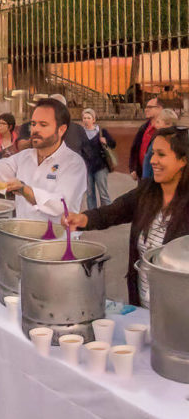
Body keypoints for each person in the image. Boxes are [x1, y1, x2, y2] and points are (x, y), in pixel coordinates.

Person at [65, 128, 189, 307]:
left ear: (183, 160)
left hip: (178, 311)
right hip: (142, 303)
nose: (153, 160)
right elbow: (114, 211)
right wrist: (83, 219)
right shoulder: (147, 192)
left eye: (161, 155)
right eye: (152, 153)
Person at [0, 98, 87, 220]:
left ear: (61, 129)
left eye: (43, 125)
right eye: (33, 124)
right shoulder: (24, 157)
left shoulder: (74, 163)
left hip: (57, 238)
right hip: (23, 235)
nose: (35, 129)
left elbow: (61, 204)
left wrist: (24, 190)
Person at [82, 108, 116, 210]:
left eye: (89, 118)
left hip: (100, 167)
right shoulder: (81, 133)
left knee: (103, 193)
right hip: (86, 168)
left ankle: (107, 215)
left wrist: (106, 141)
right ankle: (93, 216)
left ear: (94, 119)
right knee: (90, 194)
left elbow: (113, 144)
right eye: (84, 118)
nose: (86, 120)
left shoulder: (101, 131)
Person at [129, 97, 162, 181]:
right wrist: (133, 168)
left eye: (150, 107)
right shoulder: (144, 128)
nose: (146, 110)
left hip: (157, 175)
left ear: (159, 109)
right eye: (146, 107)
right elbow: (135, 149)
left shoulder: (163, 129)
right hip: (142, 175)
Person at [143, 109, 179, 181]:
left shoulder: (176, 140)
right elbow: (147, 159)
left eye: (158, 122)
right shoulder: (157, 139)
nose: (156, 125)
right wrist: (145, 179)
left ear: (168, 124)